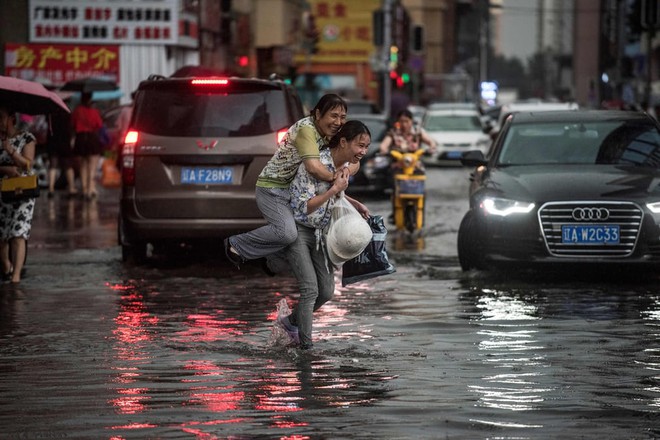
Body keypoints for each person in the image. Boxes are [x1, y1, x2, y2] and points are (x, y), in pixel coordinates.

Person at [225, 93, 366, 269]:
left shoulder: (331, 133)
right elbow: (313, 167)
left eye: (342, 117)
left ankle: (273, 261)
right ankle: (236, 244)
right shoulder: (306, 130)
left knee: (300, 234)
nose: (338, 122)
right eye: (333, 116)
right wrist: (335, 178)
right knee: (287, 233)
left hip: (297, 192)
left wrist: (345, 170)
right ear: (318, 114)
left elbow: (354, 159)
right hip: (274, 188)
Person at [276, 120, 372, 350]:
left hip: (321, 233)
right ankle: (306, 349)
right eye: (360, 145)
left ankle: (290, 322)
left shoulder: (343, 167)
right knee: (310, 289)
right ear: (343, 141)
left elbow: (335, 194)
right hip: (298, 230)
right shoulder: (314, 165)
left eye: (367, 147)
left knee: (327, 291)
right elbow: (303, 207)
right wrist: (334, 190)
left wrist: (353, 202)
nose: (363, 152)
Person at [0, 106, 37, 283]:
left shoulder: (27, 138)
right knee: (2, 235)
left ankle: (16, 277)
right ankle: (7, 266)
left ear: (11, 119)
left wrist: (10, 150)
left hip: (22, 191)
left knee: (18, 232)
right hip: (2, 191)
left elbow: (27, 164)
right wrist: (5, 168)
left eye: (2, 118)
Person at [379, 109, 436, 222]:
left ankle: (420, 213)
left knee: (421, 190)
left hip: (416, 166)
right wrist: (384, 150)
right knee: (395, 188)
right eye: (401, 121)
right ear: (398, 122)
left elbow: (431, 142)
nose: (404, 124)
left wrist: (431, 148)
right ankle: (395, 211)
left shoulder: (418, 132)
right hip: (398, 166)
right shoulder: (393, 132)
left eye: (407, 121)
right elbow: (384, 146)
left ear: (411, 121)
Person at [71, 92, 103, 200]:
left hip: (80, 138)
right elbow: (99, 125)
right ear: (90, 100)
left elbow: (73, 124)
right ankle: (90, 189)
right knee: (92, 167)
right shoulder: (94, 111)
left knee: (83, 166)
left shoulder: (77, 111)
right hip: (92, 138)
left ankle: (84, 190)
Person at [46, 109, 77, 198]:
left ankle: (51, 189)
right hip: (64, 140)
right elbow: (71, 127)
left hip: (52, 140)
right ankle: (71, 188)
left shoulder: (50, 113)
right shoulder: (67, 112)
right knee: (68, 165)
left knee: (53, 165)